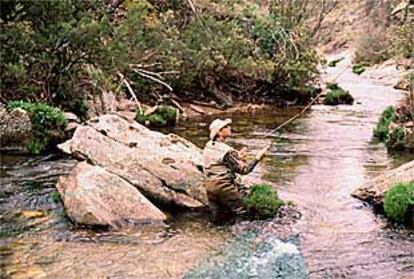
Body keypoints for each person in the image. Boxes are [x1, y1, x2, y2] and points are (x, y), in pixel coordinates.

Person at [202, 118, 270, 223]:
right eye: (225, 127)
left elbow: (220, 160)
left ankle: (214, 236)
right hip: (224, 187)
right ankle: (241, 236)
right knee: (242, 212)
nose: (229, 127)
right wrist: (258, 158)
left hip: (209, 187)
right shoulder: (226, 151)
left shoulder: (209, 145)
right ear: (219, 132)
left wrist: (238, 155)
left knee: (216, 218)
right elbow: (245, 170)